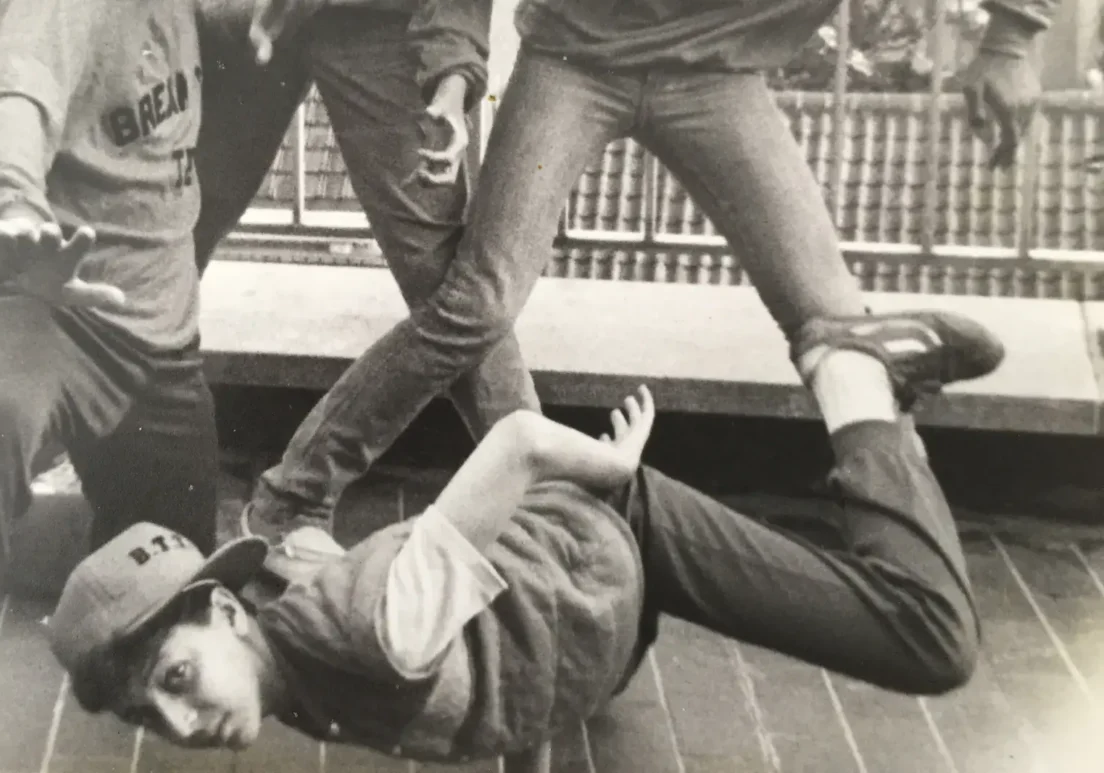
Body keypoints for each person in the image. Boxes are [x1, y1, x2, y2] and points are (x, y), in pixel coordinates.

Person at [239, 0, 1062, 553]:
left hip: (715, 75)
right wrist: (452, 80)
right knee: (479, 300)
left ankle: (909, 565)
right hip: (575, 63)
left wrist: (1014, 35)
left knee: (837, 322)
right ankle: (291, 495)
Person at [47, 306, 1004, 771]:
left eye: (173, 678)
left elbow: (514, 441)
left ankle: (855, 382)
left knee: (928, 638)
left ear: (222, 608)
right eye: (145, 714)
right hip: (583, 622)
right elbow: (317, 553)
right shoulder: (279, 641)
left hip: (619, 534)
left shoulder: (376, 622)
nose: (179, 726)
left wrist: (611, 472)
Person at [0, 0, 331, 767]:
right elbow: (12, 103)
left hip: (159, 342)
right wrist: (13, 205)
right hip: (48, 308)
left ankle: (31, 551)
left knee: (181, 573)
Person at [187, 0, 539, 548]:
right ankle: (99, 434)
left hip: (381, 21)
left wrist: (453, 75)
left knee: (453, 283)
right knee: (179, 218)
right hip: (242, 9)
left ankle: (548, 507)